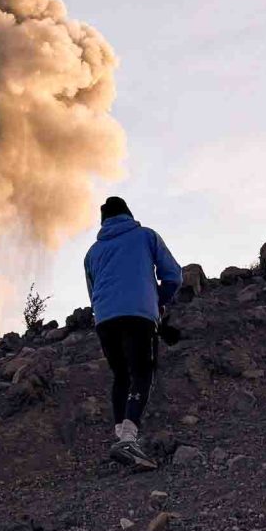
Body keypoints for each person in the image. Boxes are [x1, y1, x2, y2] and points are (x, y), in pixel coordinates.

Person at [83, 196, 182, 470]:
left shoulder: (92, 253)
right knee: (142, 372)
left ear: (103, 222)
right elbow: (173, 276)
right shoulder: (146, 236)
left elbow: (93, 295)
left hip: (104, 319)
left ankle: (123, 441)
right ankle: (128, 440)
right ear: (128, 214)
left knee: (121, 376)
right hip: (138, 316)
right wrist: (157, 301)